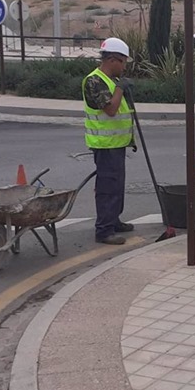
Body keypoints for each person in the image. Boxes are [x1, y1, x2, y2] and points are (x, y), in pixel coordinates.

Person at [83, 37, 136, 244]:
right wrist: (121, 88)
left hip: (117, 144)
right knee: (107, 188)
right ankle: (104, 230)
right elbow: (111, 110)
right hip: (104, 146)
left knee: (117, 186)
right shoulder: (94, 81)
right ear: (112, 60)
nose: (124, 67)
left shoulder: (110, 80)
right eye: (123, 62)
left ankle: (114, 221)